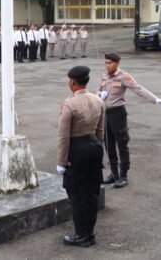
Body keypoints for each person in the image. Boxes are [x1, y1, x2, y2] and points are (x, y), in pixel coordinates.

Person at [96, 51, 161, 188]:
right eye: (105, 63)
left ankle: (123, 175)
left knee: (122, 143)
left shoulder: (124, 77)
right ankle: (114, 173)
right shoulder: (104, 76)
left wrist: (155, 100)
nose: (107, 66)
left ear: (117, 63)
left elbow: (138, 89)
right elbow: (97, 91)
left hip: (118, 114)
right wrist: (100, 94)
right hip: (105, 114)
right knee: (108, 144)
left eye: (110, 63)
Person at [57, 65, 105, 248]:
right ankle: (90, 233)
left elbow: (63, 136)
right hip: (94, 147)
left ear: (73, 82)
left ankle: (81, 235)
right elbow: (100, 130)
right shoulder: (97, 100)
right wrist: (98, 148)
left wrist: (61, 162)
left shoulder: (69, 105)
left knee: (77, 194)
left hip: (77, 150)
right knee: (92, 193)